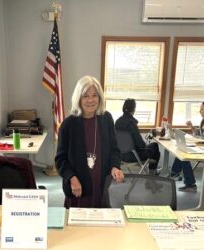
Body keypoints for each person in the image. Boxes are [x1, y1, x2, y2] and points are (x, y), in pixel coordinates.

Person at [55, 75, 124, 209]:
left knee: (101, 226)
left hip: (101, 184)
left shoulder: (106, 119)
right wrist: (71, 177)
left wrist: (115, 166)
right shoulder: (68, 124)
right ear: (78, 99)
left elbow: (114, 149)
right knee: (78, 227)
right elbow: (60, 159)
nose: (90, 100)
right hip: (78, 186)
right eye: (85, 96)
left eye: (94, 95)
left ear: (100, 98)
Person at [115, 98, 160, 176]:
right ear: (133, 109)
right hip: (133, 156)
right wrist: (145, 145)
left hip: (121, 155)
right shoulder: (132, 123)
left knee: (153, 150)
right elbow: (140, 144)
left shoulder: (117, 121)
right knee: (155, 147)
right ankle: (152, 177)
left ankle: (153, 173)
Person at [169, 102, 204, 192]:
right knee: (181, 150)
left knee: (185, 156)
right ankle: (174, 174)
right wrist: (192, 127)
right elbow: (200, 135)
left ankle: (190, 184)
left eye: (202, 109)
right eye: (200, 109)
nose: (200, 111)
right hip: (201, 147)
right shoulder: (202, 121)